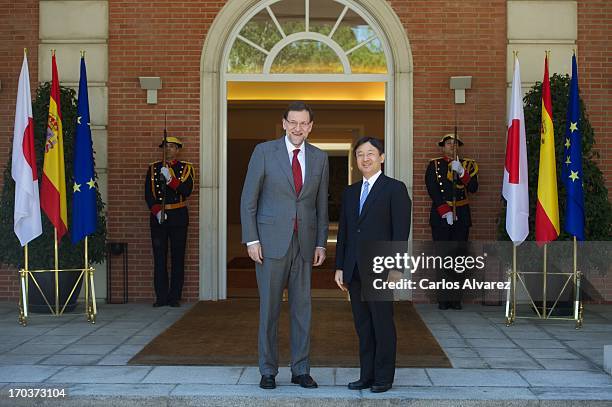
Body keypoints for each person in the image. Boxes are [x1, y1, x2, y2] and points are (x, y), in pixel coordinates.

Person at [240, 101, 329, 390]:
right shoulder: (264, 152)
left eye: (304, 123)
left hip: (304, 244)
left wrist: (321, 243)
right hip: (269, 244)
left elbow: (320, 205)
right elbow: (248, 200)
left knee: (303, 310)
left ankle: (301, 369)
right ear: (284, 123)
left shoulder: (319, 157)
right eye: (293, 122)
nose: (298, 128)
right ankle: (268, 370)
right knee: (269, 309)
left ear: (311, 127)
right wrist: (252, 239)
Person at [334, 137, 411, 394]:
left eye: (370, 153)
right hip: (354, 269)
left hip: (381, 269)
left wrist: (397, 267)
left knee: (382, 323)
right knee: (363, 325)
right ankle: (366, 375)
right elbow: (345, 232)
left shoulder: (395, 189)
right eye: (359, 154)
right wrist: (340, 267)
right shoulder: (350, 192)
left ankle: (383, 377)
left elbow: (400, 232)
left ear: (382, 157)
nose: (365, 158)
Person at [425, 133, 478, 310]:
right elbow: (432, 188)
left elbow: (473, 188)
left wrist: (462, 172)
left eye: (455, 143)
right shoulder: (434, 165)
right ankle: (443, 298)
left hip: (461, 214)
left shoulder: (467, 165)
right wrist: (444, 210)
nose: (452, 146)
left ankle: (455, 298)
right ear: (443, 146)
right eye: (448, 143)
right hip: (442, 216)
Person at [144, 136, 194, 308]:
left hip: (178, 217)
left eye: (172, 146)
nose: (168, 149)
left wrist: (171, 180)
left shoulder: (185, 168)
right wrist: (157, 211)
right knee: (159, 259)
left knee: (177, 259)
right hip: (159, 219)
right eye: (165, 146)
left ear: (178, 150)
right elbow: (148, 195)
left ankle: (174, 297)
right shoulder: (153, 168)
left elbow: (186, 190)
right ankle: (161, 297)